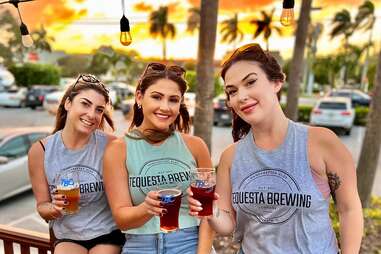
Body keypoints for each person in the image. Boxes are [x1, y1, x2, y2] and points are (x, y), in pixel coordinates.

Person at [188, 43, 363, 254]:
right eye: (232, 91)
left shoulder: (322, 142)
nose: (241, 96)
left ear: (276, 82)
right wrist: (210, 209)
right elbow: (227, 224)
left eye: (250, 82)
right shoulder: (230, 157)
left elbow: (349, 209)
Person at [103, 62, 215, 254]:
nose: (165, 107)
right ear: (139, 97)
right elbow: (121, 218)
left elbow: (208, 212)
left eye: (173, 100)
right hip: (140, 246)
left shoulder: (196, 146)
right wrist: (146, 208)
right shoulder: (118, 150)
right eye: (156, 97)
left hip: (191, 243)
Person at [28, 74, 125, 254]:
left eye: (99, 109)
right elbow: (42, 207)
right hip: (67, 234)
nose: (91, 114)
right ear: (68, 104)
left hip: (107, 232)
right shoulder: (40, 151)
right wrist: (54, 208)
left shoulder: (111, 145)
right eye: (85, 104)